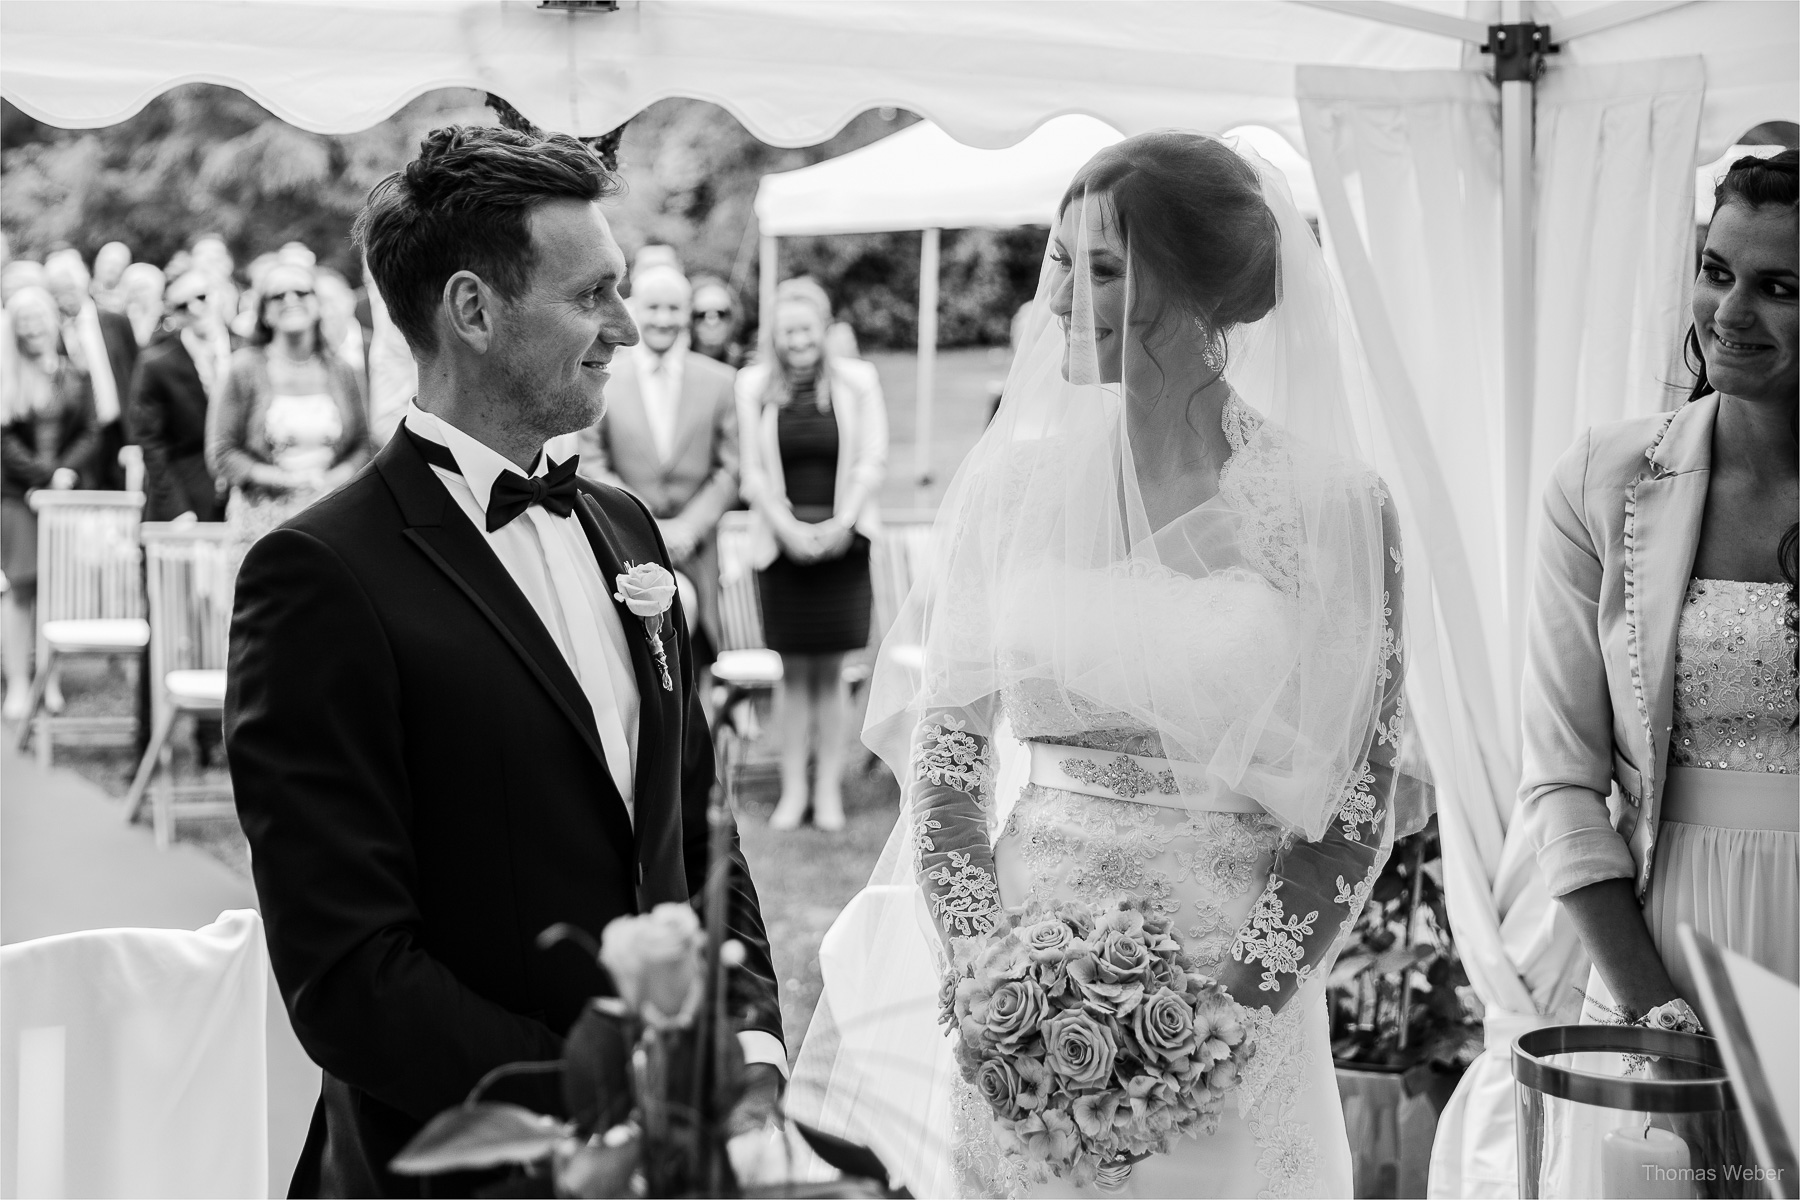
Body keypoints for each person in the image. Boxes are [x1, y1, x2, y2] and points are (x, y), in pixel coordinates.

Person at [788, 132, 1408, 1198]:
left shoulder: (1335, 509)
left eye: (1106, 267)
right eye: (1061, 259)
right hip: (1023, 994)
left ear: (1203, 289)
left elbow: (1356, 802)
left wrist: (1233, 1015)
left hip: (1234, 1000)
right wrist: (987, 964)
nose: (1061, 295)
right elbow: (946, 758)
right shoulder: (1006, 493)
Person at [224, 124, 785, 1199]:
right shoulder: (321, 576)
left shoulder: (626, 529)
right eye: (592, 297)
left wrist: (746, 1043)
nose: (627, 327)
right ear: (473, 311)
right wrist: (599, 1097)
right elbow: (349, 975)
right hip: (457, 1169)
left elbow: (697, 830)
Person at [1520, 152, 1797, 1036]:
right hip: (1665, 940)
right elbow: (1561, 777)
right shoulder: (1601, 479)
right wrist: (1653, 1008)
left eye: (1780, 287)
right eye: (1716, 273)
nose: (1731, 312)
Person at [735, 277, 887, 832]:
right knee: (791, 674)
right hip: (781, 548)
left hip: (845, 545)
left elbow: (873, 459)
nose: (797, 339)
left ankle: (828, 792)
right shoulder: (753, 386)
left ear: (824, 331)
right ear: (774, 337)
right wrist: (790, 530)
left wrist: (841, 525)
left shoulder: (858, 381)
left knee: (832, 671)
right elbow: (751, 472)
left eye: (806, 329)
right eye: (787, 331)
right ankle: (793, 792)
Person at [577, 262, 738, 662]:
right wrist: (649, 525)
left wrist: (688, 528)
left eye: (673, 308)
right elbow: (593, 462)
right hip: (626, 546)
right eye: (653, 308)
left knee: (697, 668)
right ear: (634, 309)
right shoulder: (605, 377)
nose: (663, 319)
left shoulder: (721, 382)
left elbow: (731, 468)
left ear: (687, 313)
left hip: (698, 552)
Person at [205, 261, 370, 548]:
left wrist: (332, 481)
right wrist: (285, 480)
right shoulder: (242, 369)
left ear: (317, 304)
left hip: (331, 518)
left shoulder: (344, 370)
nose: (290, 299)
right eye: (278, 295)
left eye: (301, 292)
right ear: (264, 312)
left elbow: (365, 445)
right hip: (262, 526)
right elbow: (222, 453)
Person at [2, 287, 97, 719]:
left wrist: (65, 474)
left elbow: (91, 432)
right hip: (18, 496)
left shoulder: (73, 372)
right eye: (23, 320)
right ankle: (19, 685)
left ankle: (50, 679)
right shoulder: (6, 375)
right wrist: (41, 479)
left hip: (64, 495)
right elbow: (3, 441)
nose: (32, 327)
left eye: (38, 317)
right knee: (21, 589)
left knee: (56, 590)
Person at [127, 271, 229, 522]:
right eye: (183, 305)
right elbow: (152, 444)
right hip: (189, 499)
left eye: (201, 297)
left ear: (217, 297)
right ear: (173, 314)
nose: (195, 308)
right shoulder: (156, 365)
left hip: (246, 498)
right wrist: (177, 508)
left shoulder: (249, 349)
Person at [44, 251, 136, 488]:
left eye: (70, 289)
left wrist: (134, 437)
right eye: (57, 292)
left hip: (116, 430)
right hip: (77, 438)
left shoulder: (115, 322)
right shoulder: (50, 332)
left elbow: (135, 375)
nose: (65, 298)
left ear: (83, 284)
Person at [689, 273, 745, 368]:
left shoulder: (744, 367)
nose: (712, 322)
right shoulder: (676, 367)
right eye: (701, 315)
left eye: (721, 313)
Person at [119, 262, 168, 348]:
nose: (137, 294)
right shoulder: (120, 320)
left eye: (143, 288)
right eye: (133, 289)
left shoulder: (167, 321)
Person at [91, 241, 132, 312]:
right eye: (108, 262)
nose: (112, 268)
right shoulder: (85, 294)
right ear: (97, 264)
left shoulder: (128, 303)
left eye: (117, 264)